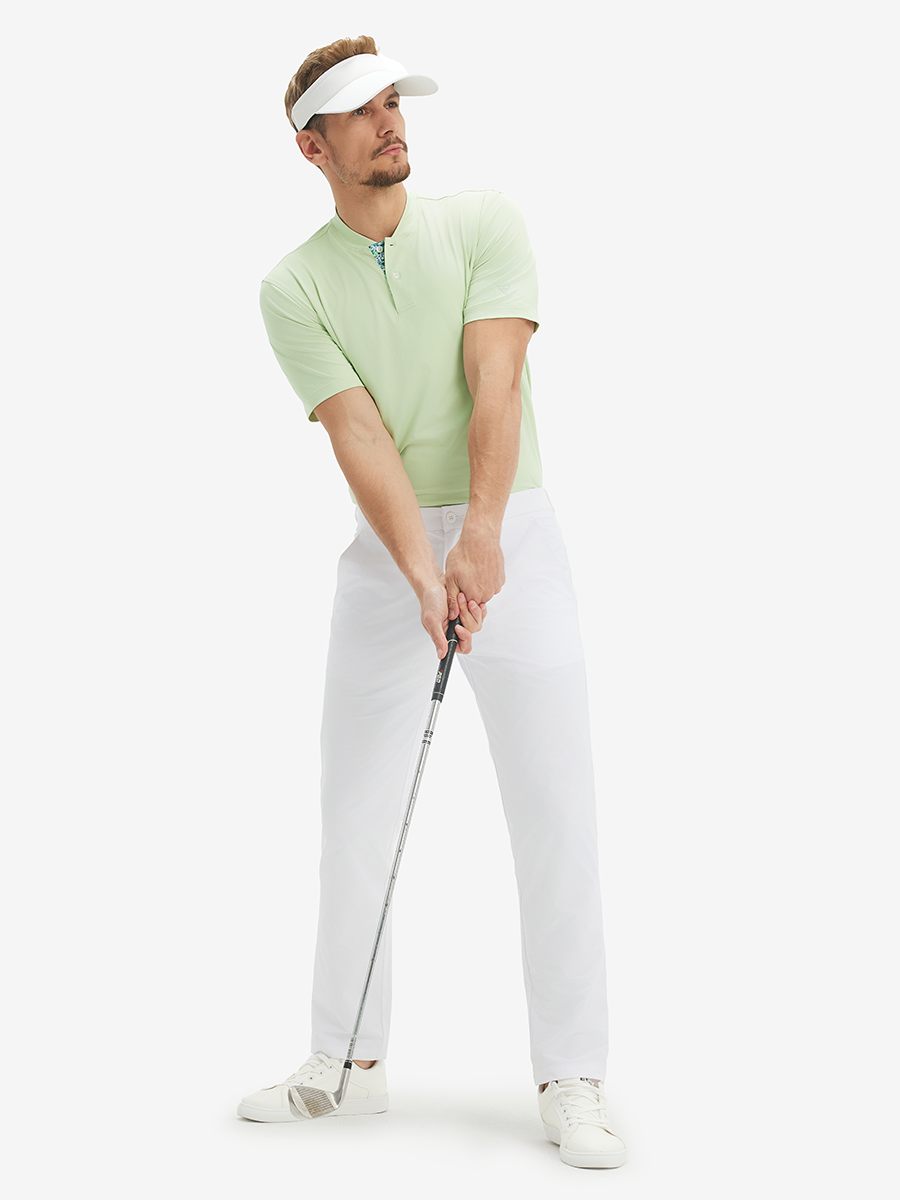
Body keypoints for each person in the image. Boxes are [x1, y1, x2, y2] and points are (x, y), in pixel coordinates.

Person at [237, 35, 626, 1170]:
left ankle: (573, 1077)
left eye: (393, 101)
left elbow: (494, 379)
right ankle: (346, 1061)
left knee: (555, 813)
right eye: (360, 111)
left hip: (519, 537)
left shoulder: (484, 222)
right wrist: (423, 573)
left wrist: (484, 539)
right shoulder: (292, 287)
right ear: (313, 148)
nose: (389, 120)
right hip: (388, 556)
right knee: (354, 812)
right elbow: (360, 436)